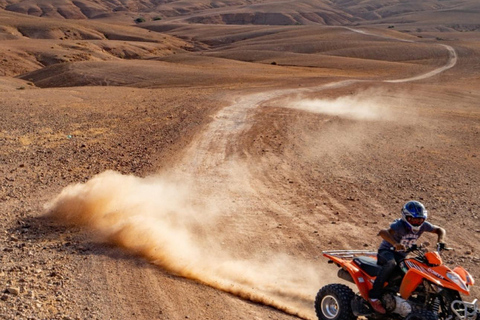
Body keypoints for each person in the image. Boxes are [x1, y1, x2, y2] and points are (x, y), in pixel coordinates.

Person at [368, 200, 446, 314]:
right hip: (386, 251)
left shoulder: (424, 226)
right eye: (413, 219)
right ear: (406, 217)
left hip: (401, 255)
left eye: (420, 219)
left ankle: (411, 302)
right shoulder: (399, 225)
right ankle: (374, 297)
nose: (416, 222)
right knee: (391, 264)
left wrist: (441, 240)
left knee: (415, 271)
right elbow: (383, 232)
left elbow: (440, 230)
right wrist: (395, 244)